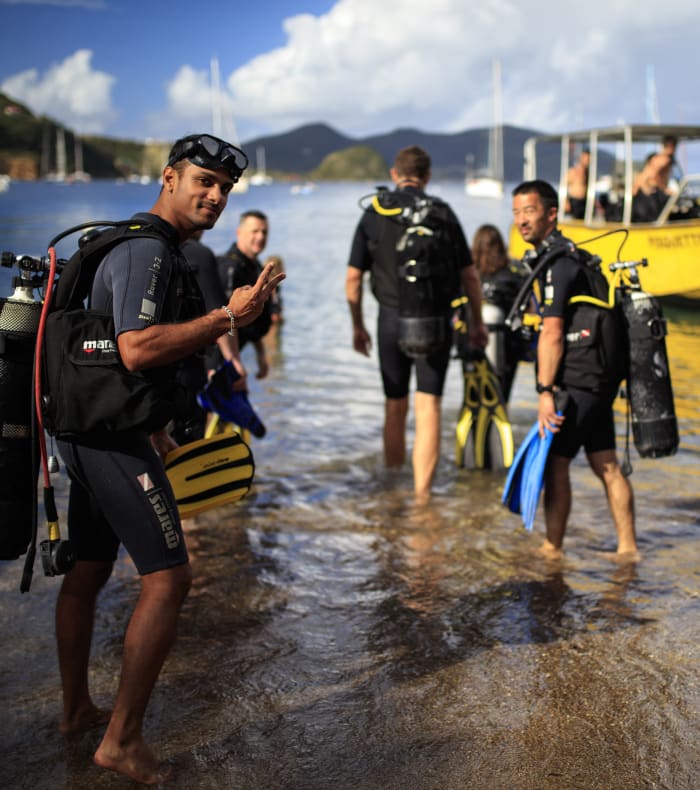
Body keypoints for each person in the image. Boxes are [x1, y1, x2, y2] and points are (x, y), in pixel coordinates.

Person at [54, 133, 284, 784]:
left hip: (91, 428)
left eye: (224, 188)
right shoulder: (147, 251)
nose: (214, 196)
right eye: (203, 182)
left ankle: (77, 713)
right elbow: (135, 347)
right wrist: (227, 318)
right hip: (106, 440)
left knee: (91, 570)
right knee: (169, 579)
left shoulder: (132, 242)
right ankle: (121, 741)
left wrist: (156, 425)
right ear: (169, 178)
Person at [345, 145, 487, 501]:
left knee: (395, 405)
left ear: (395, 175)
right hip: (434, 321)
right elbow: (470, 277)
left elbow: (352, 279)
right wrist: (478, 323)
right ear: (427, 177)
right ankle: (423, 496)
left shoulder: (375, 213)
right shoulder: (442, 212)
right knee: (429, 408)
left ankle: (393, 487)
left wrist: (357, 326)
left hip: (391, 320)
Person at [511, 179, 637, 561]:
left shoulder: (558, 264)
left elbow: (551, 333)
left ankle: (553, 549)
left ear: (552, 214)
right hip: (598, 377)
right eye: (515, 213)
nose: (521, 221)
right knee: (606, 463)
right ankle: (628, 549)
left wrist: (545, 392)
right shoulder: (571, 257)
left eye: (529, 211)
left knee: (556, 463)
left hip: (576, 379)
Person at [178, 230, 247, 443]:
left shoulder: (150, 247)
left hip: (149, 377)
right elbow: (221, 315)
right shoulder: (199, 254)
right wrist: (233, 361)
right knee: (186, 442)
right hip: (187, 374)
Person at [471, 224, 529, 401]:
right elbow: (528, 307)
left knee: (474, 394)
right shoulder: (513, 273)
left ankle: (476, 426)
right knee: (500, 395)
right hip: (508, 345)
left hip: (473, 342)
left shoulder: (471, 275)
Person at [217, 210, 273, 379]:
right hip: (218, 358)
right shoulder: (230, 267)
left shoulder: (255, 266)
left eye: (264, 232)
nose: (261, 236)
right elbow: (223, 319)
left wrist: (261, 356)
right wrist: (234, 362)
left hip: (235, 353)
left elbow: (252, 315)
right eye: (255, 231)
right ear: (239, 232)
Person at [631, 135, 678, 222]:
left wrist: (636, 188)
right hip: (652, 193)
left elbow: (642, 175)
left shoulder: (655, 158)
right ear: (671, 146)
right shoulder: (664, 160)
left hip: (645, 193)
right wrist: (665, 189)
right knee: (658, 219)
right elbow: (654, 175)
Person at [565, 148, 590, 219]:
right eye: (586, 159)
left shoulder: (588, 173)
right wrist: (565, 202)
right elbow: (564, 186)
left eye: (589, 159)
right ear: (581, 158)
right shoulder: (574, 171)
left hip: (585, 201)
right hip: (574, 201)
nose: (587, 161)